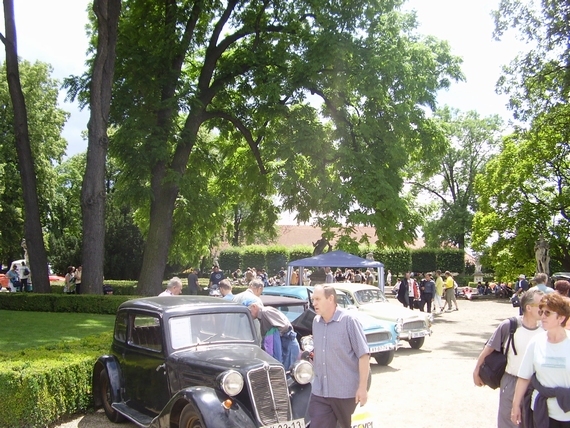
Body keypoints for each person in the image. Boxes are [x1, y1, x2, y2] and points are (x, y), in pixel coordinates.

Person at [473, 289, 543, 428]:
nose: (545, 309)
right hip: (512, 380)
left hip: (536, 383)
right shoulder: (510, 326)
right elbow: (489, 349)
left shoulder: (546, 329)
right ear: (529, 308)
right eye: (541, 305)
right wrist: (476, 371)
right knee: (508, 421)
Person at [309, 285, 369, 428]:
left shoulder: (349, 321)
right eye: (313, 299)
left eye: (317, 299)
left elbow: (364, 355)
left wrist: (362, 387)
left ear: (330, 299)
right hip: (320, 392)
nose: (314, 303)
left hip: (346, 393)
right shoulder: (315, 322)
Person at [511, 293, 570, 428]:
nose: (542, 316)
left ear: (561, 317)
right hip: (541, 411)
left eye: (548, 313)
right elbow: (524, 377)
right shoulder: (536, 341)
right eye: (541, 311)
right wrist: (515, 406)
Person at [244, 300, 300, 370]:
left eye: (249, 311)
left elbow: (284, 326)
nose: (249, 314)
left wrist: (275, 338)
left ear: (254, 306)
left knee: (288, 372)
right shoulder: (261, 316)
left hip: (288, 344)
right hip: (283, 345)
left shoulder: (266, 312)